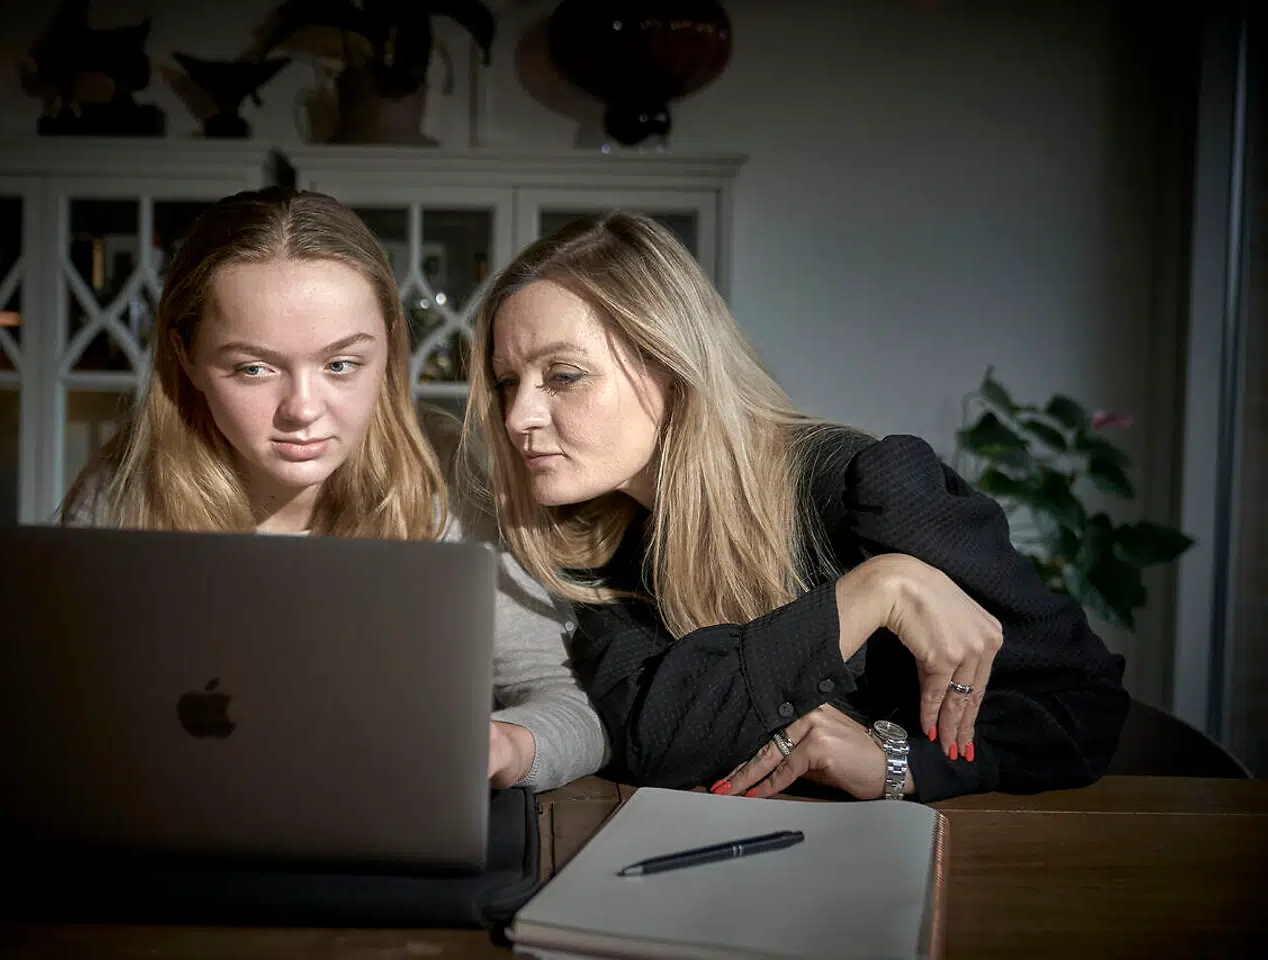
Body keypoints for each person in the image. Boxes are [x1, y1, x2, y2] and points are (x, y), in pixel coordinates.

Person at [462, 210, 1130, 803]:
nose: (518, 416)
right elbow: (656, 741)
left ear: (673, 366)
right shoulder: (592, 546)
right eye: (506, 382)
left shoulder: (871, 487)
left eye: (563, 376)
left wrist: (901, 765)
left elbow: (1086, 705)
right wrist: (872, 594)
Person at [59, 186, 608, 792]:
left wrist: (506, 745)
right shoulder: (123, 491)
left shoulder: (448, 481)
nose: (302, 409)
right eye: (253, 368)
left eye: (341, 364)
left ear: (389, 346)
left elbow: (570, 705)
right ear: (185, 356)